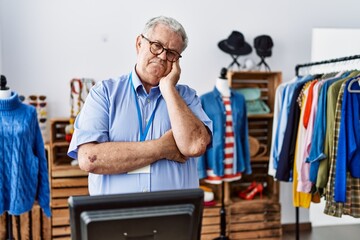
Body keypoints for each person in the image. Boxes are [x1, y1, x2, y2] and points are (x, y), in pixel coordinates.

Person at [67, 16, 212, 195]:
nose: (162, 56)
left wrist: (168, 89)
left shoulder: (187, 97)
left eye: (172, 53)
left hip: (173, 216)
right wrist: (162, 148)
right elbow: (89, 159)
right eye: (157, 45)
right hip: (115, 217)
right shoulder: (103, 93)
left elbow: (195, 146)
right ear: (139, 44)